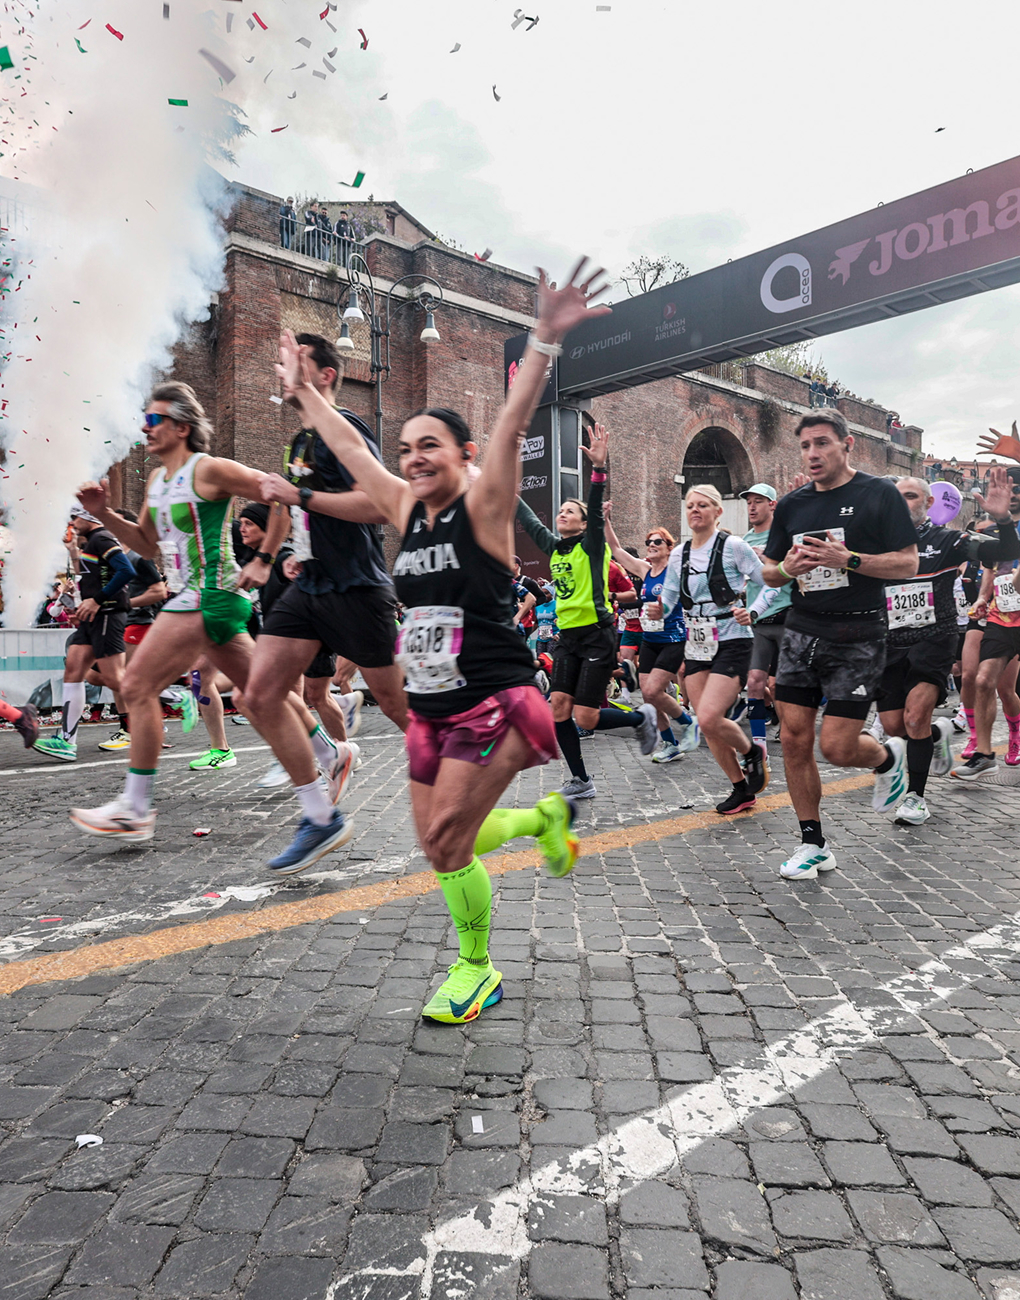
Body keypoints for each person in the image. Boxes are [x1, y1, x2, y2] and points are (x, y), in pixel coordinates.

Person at [273, 256, 609, 1024]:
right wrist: (306, 393)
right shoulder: (405, 508)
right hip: (430, 706)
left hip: (496, 697)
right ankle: (539, 821)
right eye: (408, 450)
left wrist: (545, 341)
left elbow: (513, 422)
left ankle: (476, 967)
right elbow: (354, 455)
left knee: (449, 840)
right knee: (439, 841)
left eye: (431, 446)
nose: (414, 458)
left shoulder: (485, 506)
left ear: (461, 456)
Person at [66, 382, 291, 842]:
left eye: (153, 420)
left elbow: (280, 496)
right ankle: (329, 755)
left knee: (137, 683)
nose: (144, 428)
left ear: (182, 426)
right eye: (143, 420)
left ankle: (135, 807)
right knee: (260, 693)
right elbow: (146, 544)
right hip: (194, 596)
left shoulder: (210, 469)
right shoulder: (156, 481)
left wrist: (264, 559)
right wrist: (104, 513)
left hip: (213, 592)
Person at [252, 335, 410, 872]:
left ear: (323, 375)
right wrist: (291, 551)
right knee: (259, 693)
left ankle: (463, 769)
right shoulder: (299, 441)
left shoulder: (345, 428)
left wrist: (300, 497)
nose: (281, 374)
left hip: (358, 589)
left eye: (293, 365)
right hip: (310, 587)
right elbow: (305, 513)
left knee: (396, 706)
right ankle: (321, 818)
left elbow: (377, 506)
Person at [761, 410, 919, 880]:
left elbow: (907, 564)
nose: (813, 453)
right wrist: (788, 569)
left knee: (837, 747)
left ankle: (888, 756)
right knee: (792, 739)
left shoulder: (879, 494)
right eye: (806, 445)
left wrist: (847, 559)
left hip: (859, 633)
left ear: (847, 444)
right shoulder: (791, 506)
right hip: (802, 629)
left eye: (823, 443)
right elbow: (768, 571)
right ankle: (813, 843)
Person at [514, 425, 658, 800]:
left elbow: (595, 510)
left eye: (569, 511)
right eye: (560, 511)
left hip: (598, 633)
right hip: (568, 638)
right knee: (558, 709)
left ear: (581, 522)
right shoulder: (556, 547)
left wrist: (598, 471)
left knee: (586, 717)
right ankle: (581, 781)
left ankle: (640, 717)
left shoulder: (592, 546)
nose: (562, 514)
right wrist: (507, 485)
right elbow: (529, 520)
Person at [874, 473, 1017, 819]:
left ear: (929, 503)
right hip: (890, 642)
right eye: (897, 497)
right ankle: (932, 739)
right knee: (894, 727)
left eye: (910, 496)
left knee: (915, 715)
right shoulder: (876, 541)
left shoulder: (948, 539)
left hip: (933, 638)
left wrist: (1003, 519)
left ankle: (915, 798)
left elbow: (1005, 552)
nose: (902, 502)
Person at [656, 485, 776, 811]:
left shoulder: (734, 546)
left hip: (733, 637)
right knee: (707, 724)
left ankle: (752, 752)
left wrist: (752, 612)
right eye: (690, 505)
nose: (695, 510)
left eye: (703, 505)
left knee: (709, 717)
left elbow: (768, 585)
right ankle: (741, 788)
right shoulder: (679, 553)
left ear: (717, 512)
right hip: (697, 641)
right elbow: (669, 597)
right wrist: (659, 610)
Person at [33, 508, 135, 762]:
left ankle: (174, 697)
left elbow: (126, 571)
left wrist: (98, 600)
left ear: (89, 518)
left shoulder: (102, 537)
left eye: (75, 517)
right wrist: (73, 554)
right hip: (92, 618)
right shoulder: (91, 542)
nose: (72, 523)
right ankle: (67, 741)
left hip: (107, 615)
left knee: (113, 678)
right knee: (74, 671)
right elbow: (86, 576)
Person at [604, 517, 695, 763]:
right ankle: (671, 744)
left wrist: (664, 608)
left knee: (654, 690)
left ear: (668, 547)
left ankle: (689, 723)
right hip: (650, 639)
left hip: (673, 639)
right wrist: (606, 522)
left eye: (657, 541)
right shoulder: (646, 570)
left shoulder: (674, 571)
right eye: (648, 542)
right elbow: (617, 551)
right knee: (648, 696)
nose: (651, 545)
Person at [91, 508, 168, 752]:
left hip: (138, 623)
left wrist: (125, 604)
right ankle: (143, 724)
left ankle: (134, 729)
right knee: (102, 676)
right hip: (117, 623)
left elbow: (159, 592)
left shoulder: (139, 557)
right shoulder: (114, 557)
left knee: (124, 679)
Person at [740, 483, 792, 759]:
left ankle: (789, 727)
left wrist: (769, 559)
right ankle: (758, 740)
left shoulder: (782, 535)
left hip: (785, 615)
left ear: (772, 504)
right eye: (749, 501)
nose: (752, 506)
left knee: (780, 684)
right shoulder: (745, 540)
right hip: (757, 621)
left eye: (758, 501)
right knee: (755, 680)